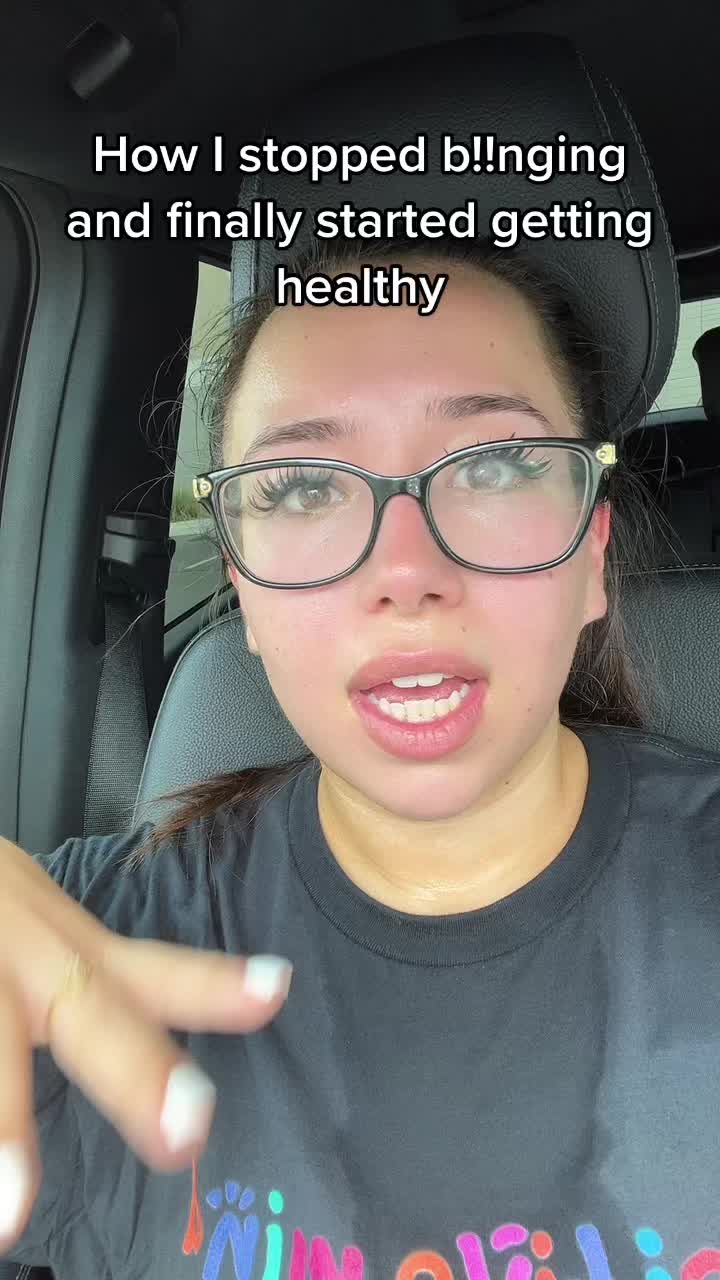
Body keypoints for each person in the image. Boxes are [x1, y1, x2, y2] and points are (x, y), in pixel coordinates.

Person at [2, 234, 720, 1280]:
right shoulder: (83, 962)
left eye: (493, 465)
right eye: (302, 486)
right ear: (239, 583)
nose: (405, 571)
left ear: (592, 555)